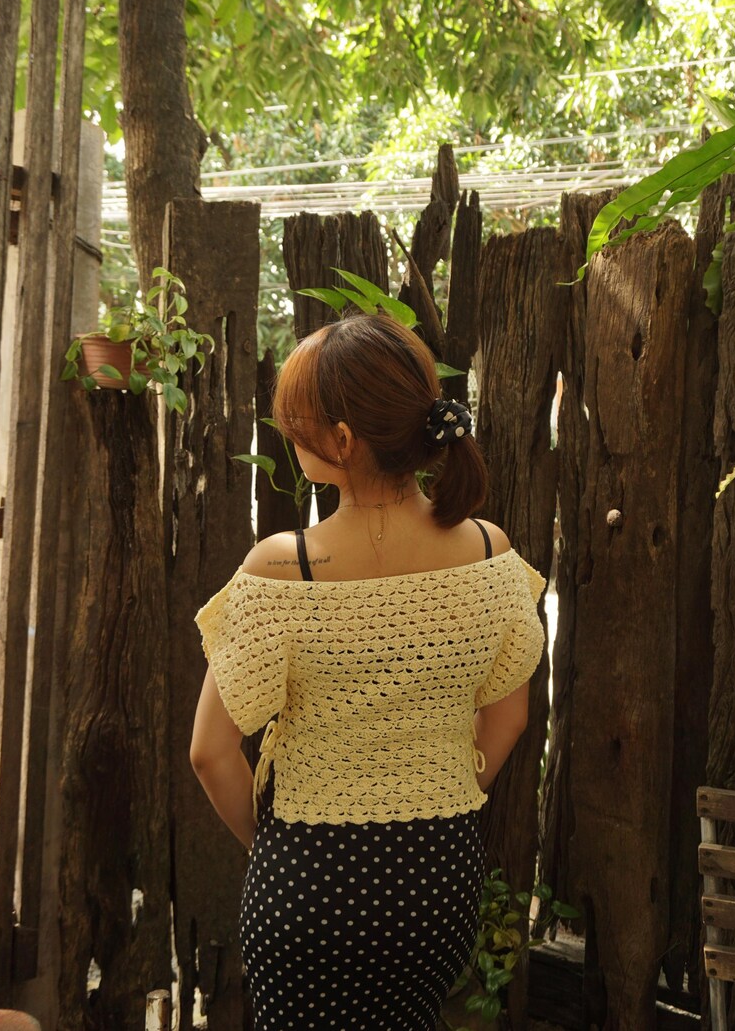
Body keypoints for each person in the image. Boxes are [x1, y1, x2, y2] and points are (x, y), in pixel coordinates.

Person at [190, 311, 545, 1031]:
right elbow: (509, 718)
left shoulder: (284, 568)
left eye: (298, 424)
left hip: (311, 884)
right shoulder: (489, 553)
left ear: (344, 440)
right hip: (437, 879)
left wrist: (275, 851)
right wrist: (437, 795)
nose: (290, 436)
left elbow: (210, 752)